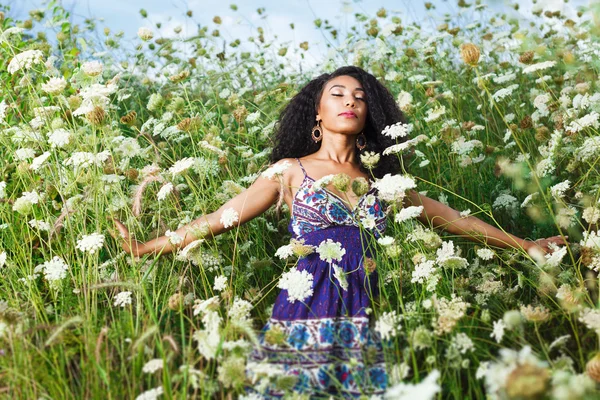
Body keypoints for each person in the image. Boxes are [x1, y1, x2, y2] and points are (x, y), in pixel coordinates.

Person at [110, 66, 568, 398]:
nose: (350, 101)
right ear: (317, 112)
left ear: (370, 115)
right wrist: (146, 247)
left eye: (360, 97)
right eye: (337, 94)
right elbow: (219, 219)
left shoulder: (385, 184)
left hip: (370, 307)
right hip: (304, 306)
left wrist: (526, 246)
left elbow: (458, 221)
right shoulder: (289, 171)